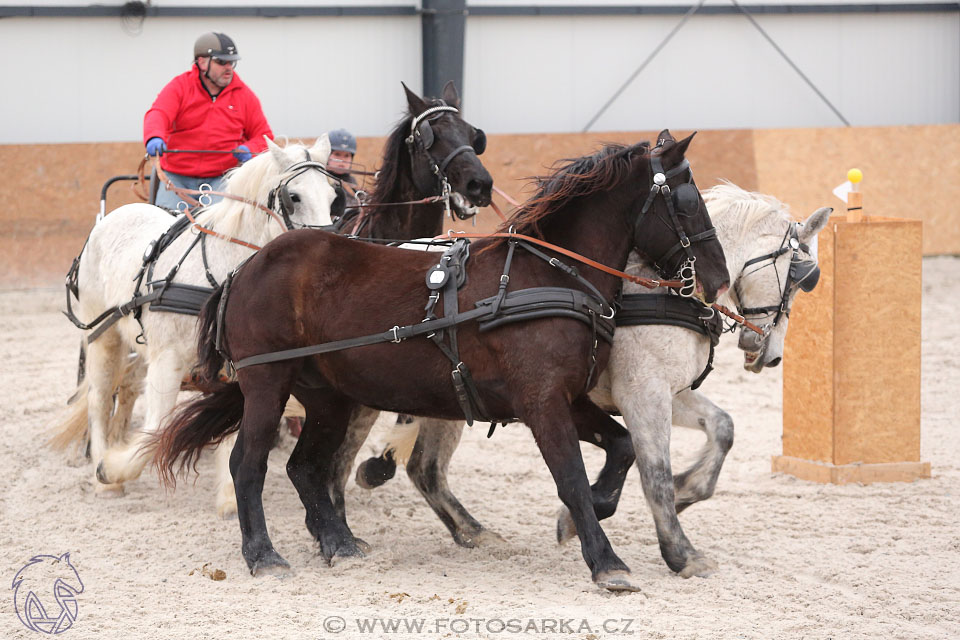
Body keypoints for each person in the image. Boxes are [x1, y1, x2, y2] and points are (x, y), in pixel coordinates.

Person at [143, 32, 274, 211]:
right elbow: (159, 114)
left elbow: (264, 136)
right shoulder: (180, 87)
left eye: (232, 62)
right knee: (165, 226)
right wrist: (154, 137)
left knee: (222, 228)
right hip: (175, 177)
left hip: (221, 178)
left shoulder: (245, 96)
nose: (229, 68)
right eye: (221, 62)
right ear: (202, 62)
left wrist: (250, 150)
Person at [325, 128, 361, 209]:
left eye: (346, 156)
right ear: (327, 156)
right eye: (337, 154)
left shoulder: (353, 183)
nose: (342, 160)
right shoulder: (322, 181)